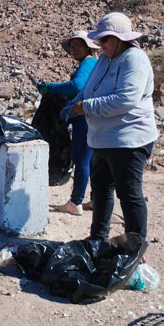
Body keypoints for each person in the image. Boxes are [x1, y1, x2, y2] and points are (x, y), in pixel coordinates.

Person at [61, 12, 158, 240]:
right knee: (102, 192)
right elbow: (89, 88)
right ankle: (98, 240)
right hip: (102, 139)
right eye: (100, 40)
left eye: (105, 39)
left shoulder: (134, 59)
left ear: (120, 38)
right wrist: (75, 103)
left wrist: (87, 106)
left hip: (129, 139)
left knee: (129, 193)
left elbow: (126, 99)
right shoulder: (105, 59)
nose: (101, 44)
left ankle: (135, 246)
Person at [38, 31, 99, 215]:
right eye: (71, 46)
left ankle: (75, 202)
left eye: (77, 45)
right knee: (93, 160)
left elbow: (77, 86)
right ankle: (96, 199)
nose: (73, 50)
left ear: (87, 47)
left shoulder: (88, 63)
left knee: (81, 159)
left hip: (84, 116)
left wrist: (51, 87)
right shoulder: (94, 64)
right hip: (93, 116)